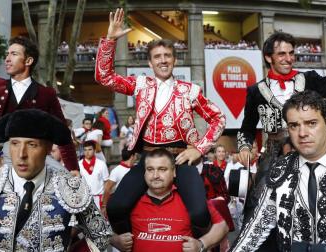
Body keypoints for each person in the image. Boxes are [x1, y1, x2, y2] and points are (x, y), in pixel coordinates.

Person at [96, 8, 225, 237]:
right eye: (157, 56)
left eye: (167, 56)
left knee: (199, 215)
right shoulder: (140, 84)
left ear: (174, 60)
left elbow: (218, 118)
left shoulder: (190, 91)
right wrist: (110, 40)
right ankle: (133, 244)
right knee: (116, 207)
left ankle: (191, 246)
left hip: (181, 159)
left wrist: (199, 149)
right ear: (150, 62)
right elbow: (104, 77)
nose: (163, 61)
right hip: (147, 158)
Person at [0, 109, 111, 251]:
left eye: (32, 145)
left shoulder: (71, 188)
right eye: (15, 144)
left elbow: (101, 236)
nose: (21, 155)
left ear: (48, 148)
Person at [232, 90, 326, 251]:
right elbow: (254, 231)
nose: (302, 133)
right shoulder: (280, 171)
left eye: (311, 123)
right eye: (294, 125)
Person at [237, 17, 326, 165]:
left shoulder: (310, 80)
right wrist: (244, 148)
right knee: (260, 186)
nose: (289, 59)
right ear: (269, 57)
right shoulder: (256, 90)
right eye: (282, 54)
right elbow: (247, 128)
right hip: (275, 155)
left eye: (291, 53)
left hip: (312, 153)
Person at [0, 20, 79, 172]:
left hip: (39, 158)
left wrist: (73, 168)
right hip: (8, 157)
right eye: (7, 54)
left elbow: (63, 134)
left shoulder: (46, 94)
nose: (7, 59)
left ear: (28, 61)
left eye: (14, 54)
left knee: (70, 185)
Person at [110, 149, 229, 252]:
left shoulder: (189, 199)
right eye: (150, 169)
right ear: (144, 172)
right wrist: (115, 240)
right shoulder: (130, 200)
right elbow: (97, 226)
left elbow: (222, 226)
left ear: (174, 172)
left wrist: (201, 244)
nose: (155, 175)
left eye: (162, 169)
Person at [102, 148, 137, 216]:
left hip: (134, 204)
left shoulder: (136, 168)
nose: (136, 157)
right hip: (121, 204)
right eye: (135, 155)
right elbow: (107, 189)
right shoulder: (116, 170)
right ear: (132, 156)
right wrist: (104, 206)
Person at [79, 140, 109, 210]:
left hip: (99, 198)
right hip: (85, 199)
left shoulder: (101, 164)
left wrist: (104, 200)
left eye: (90, 149)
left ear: (94, 150)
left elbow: (106, 182)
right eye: (85, 150)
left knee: (102, 220)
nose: (87, 152)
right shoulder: (79, 165)